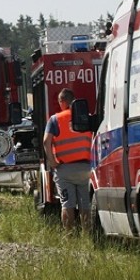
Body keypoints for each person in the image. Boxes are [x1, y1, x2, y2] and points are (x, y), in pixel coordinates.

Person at [43, 87, 92, 231]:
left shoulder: (55, 119)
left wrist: (52, 162)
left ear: (62, 102)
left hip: (65, 169)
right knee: (85, 205)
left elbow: (46, 141)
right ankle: (87, 235)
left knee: (67, 204)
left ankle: (69, 236)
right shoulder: (86, 117)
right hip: (86, 168)